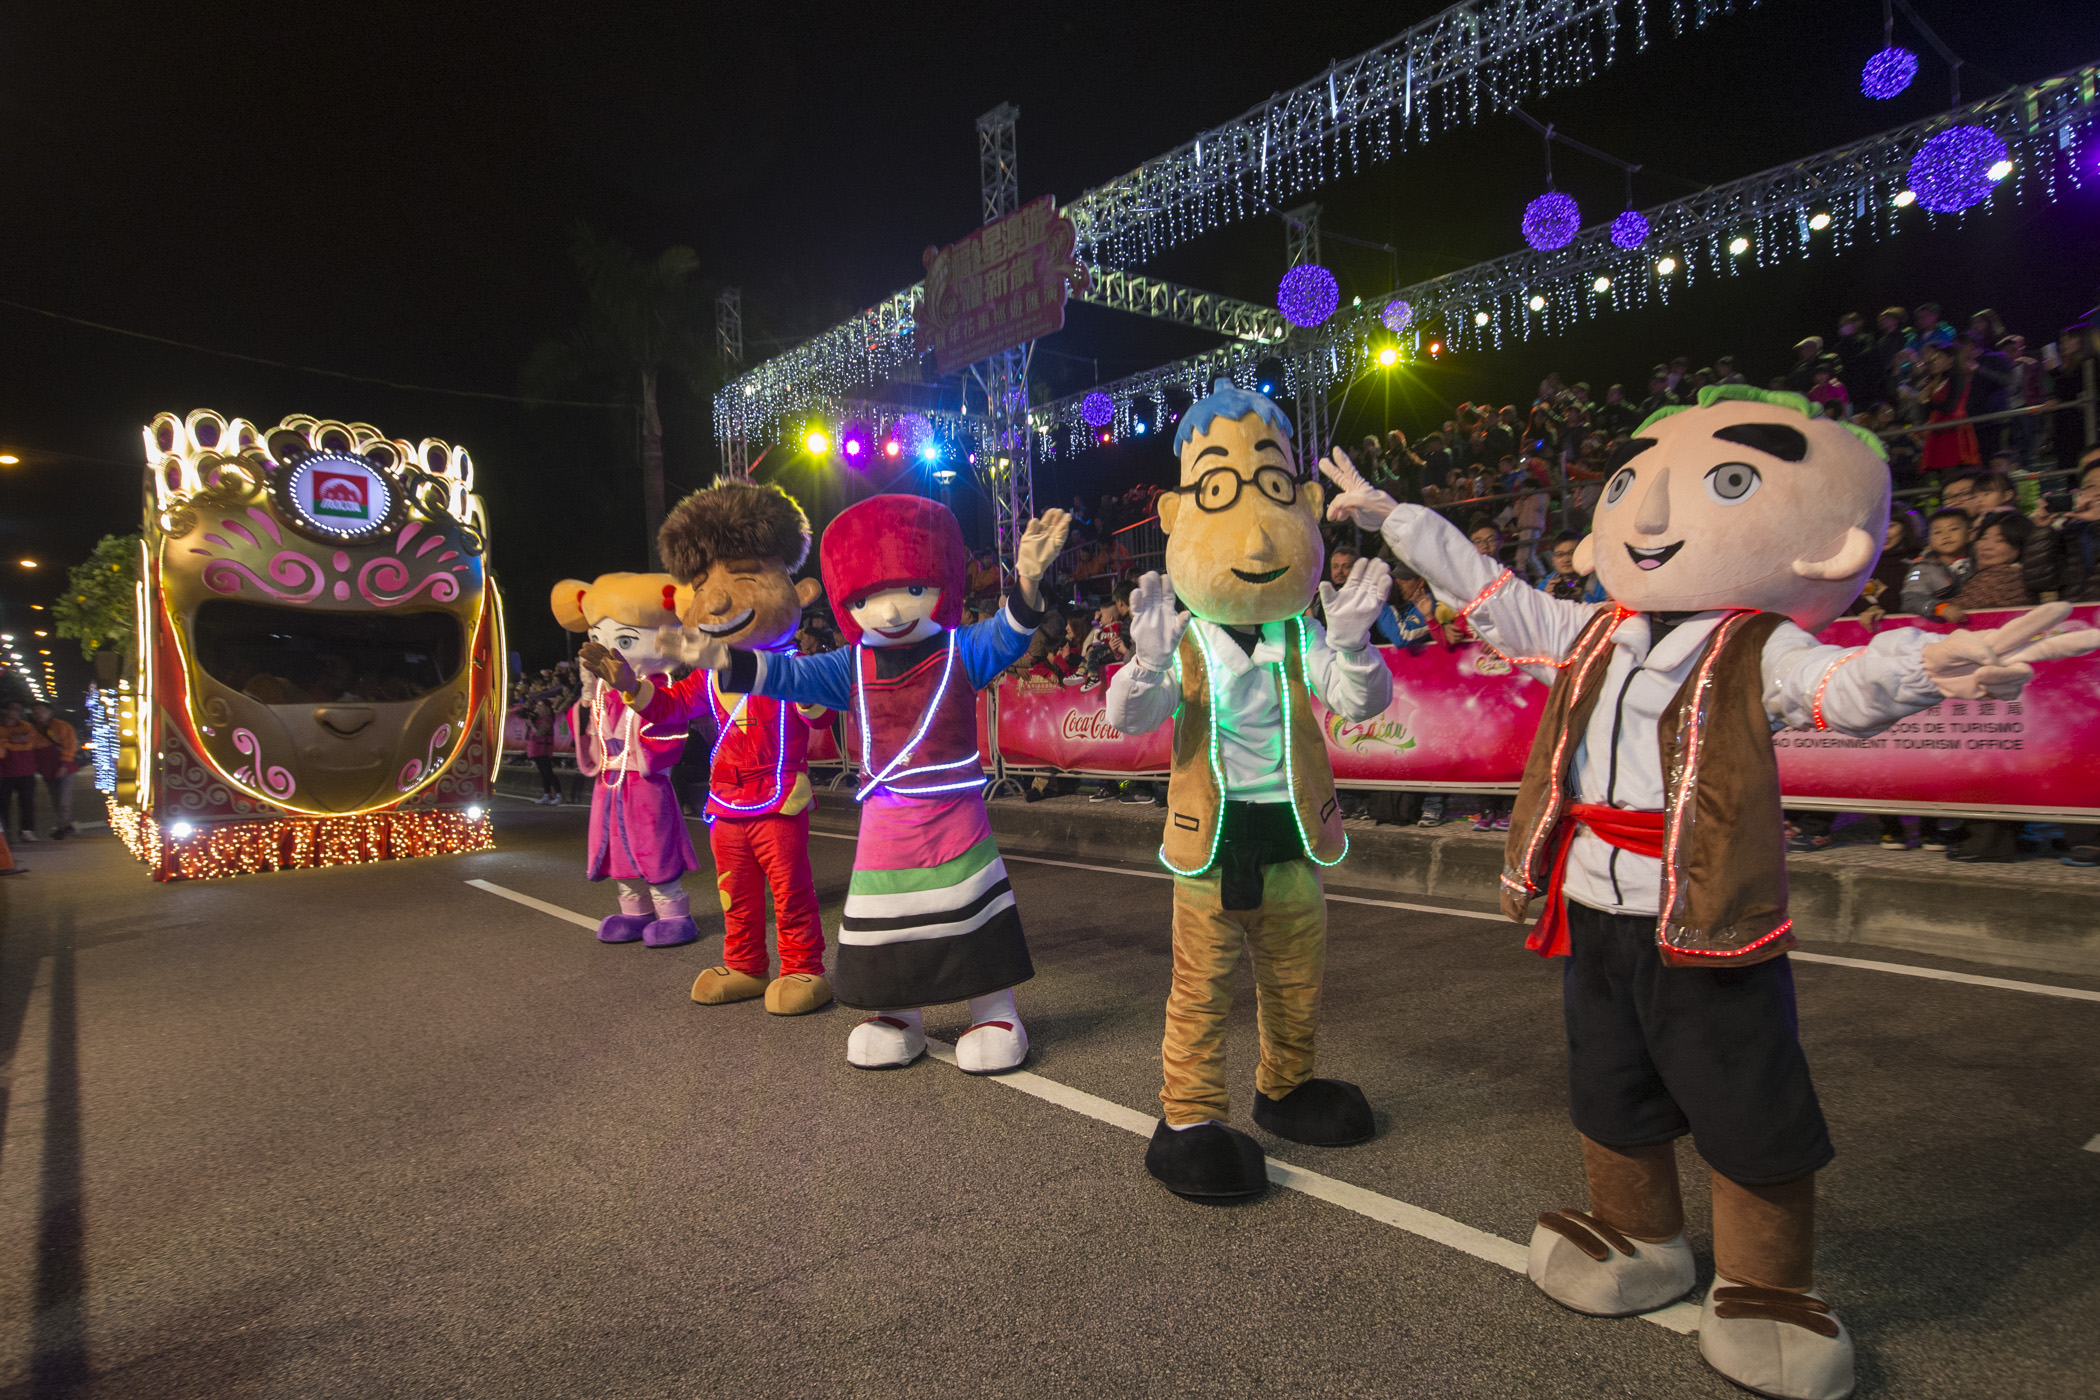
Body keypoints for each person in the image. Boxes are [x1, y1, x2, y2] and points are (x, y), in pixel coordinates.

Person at [1325, 383, 2100, 1400]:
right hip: (1592, 904)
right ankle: (1638, 1233)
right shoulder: (1593, 631)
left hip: (1707, 910)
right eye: (1631, 483)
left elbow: (1838, 687)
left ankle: (1768, 1284)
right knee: (1610, 1081)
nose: (1648, 514)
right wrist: (1399, 519)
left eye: (1727, 482)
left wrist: (1927, 665)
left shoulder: (1756, 644)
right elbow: (1492, 592)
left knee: (1744, 1095)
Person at [1106, 379, 1394, 1200]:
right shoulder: (1186, 640)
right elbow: (1130, 716)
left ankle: (1286, 1086)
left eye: (1273, 491)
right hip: (1211, 848)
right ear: (1176, 516)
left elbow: (1360, 703)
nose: (1259, 534)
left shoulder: (1301, 633)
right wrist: (1148, 662)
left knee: (1296, 979)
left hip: (1294, 839)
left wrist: (1355, 646)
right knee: (1200, 991)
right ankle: (1188, 1119)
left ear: (1304, 504)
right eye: (1219, 496)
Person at [667, 495, 1072, 1074]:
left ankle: (994, 1012)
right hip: (886, 820)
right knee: (886, 916)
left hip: (955, 813)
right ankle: (896, 1014)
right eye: (865, 599)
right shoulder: (849, 665)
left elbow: (1009, 633)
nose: (890, 610)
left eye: (913, 589)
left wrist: (1027, 582)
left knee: (971, 908)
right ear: (846, 604)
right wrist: (722, 659)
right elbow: (786, 673)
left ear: (942, 586)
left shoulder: (960, 649)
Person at [609, 478, 836, 1014]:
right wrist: (629, 684)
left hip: (779, 798)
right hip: (726, 802)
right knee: (735, 892)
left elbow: (821, 712)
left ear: (800, 592)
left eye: (744, 576)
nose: (715, 599)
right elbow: (667, 708)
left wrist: (806, 693)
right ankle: (746, 965)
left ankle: (802, 967)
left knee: (791, 892)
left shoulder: (793, 667)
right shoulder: (707, 676)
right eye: (702, 583)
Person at [550, 573, 702, 949]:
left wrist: (633, 701)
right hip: (610, 782)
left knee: (655, 847)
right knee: (616, 848)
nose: (609, 651)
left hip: (645, 783)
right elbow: (590, 735)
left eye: (625, 640)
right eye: (599, 638)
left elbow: (669, 732)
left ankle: (674, 916)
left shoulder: (662, 688)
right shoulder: (602, 689)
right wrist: (588, 697)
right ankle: (635, 912)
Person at [1900, 508, 1976, 621]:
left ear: (1970, 534)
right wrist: (1938, 608)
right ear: (1929, 540)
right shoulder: (1922, 568)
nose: (1946, 535)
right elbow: (1911, 600)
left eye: (1953, 529)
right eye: (1937, 532)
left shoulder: (1980, 560)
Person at [27, 702, 77, 838]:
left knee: (63, 800)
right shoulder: (31, 730)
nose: (38, 714)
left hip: (65, 769)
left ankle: (62, 827)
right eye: (35, 712)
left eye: (42, 711)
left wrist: (64, 765)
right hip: (47, 771)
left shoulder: (61, 726)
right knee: (56, 800)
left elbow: (70, 746)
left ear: (49, 712)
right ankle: (66, 825)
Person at [0, 702, 41, 843]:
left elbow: (29, 744)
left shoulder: (27, 727)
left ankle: (27, 831)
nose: (19, 712)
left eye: (21, 710)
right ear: (5, 711)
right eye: (15, 710)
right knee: (3, 805)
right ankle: (6, 832)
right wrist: (13, 741)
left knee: (27, 803)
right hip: (4, 773)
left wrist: (5, 743)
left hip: (26, 771)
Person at [1538, 531, 1608, 603]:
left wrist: (1583, 597)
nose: (1566, 559)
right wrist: (1545, 598)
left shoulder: (1601, 581)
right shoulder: (1547, 583)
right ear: (1553, 559)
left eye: (1572, 553)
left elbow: (1608, 607)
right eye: (1560, 554)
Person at [520, 701, 561, 804]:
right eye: (537, 706)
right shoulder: (537, 719)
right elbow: (527, 734)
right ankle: (547, 794)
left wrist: (531, 724)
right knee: (543, 773)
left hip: (544, 750)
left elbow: (539, 733)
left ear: (547, 708)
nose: (538, 709)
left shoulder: (548, 720)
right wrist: (528, 723)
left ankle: (559, 794)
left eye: (541, 706)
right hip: (536, 750)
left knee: (548, 773)